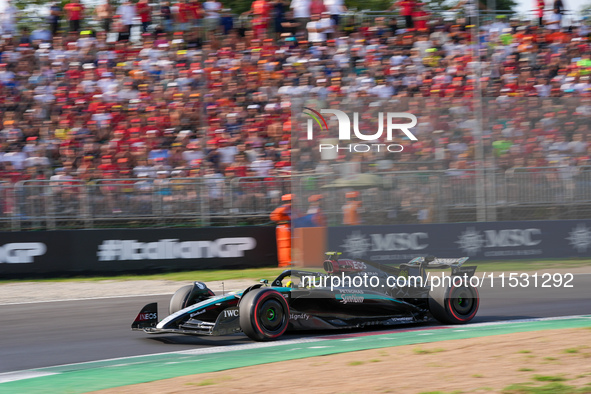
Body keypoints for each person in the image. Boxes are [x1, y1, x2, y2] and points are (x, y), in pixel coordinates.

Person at [270, 193, 292, 267]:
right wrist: (285, 220)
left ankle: (289, 262)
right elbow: (273, 217)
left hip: (290, 227)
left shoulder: (292, 209)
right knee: (285, 246)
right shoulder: (282, 208)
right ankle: (285, 263)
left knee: (289, 246)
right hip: (284, 228)